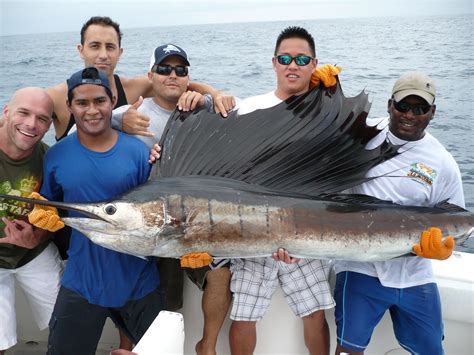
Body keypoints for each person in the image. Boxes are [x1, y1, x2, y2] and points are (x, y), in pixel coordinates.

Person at [33, 67, 164, 355]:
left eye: (100, 101)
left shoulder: (140, 153)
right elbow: (50, 207)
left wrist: (190, 246)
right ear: (69, 107)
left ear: (113, 100)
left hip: (139, 282)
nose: (92, 110)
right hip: (83, 282)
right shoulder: (55, 156)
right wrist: (42, 220)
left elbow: (161, 215)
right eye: (82, 103)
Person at [333, 72, 462, 355]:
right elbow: (319, 136)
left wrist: (443, 250)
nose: (410, 115)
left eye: (420, 109)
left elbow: (455, 219)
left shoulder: (443, 162)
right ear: (390, 104)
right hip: (360, 267)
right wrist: (321, 88)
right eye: (404, 106)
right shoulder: (361, 137)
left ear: (433, 112)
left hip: (415, 273)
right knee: (347, 351)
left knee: (432, 351)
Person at [118, 43, 232, 355]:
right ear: (150, 75)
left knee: (220, 272)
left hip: (195, 220)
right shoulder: (129, 115)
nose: (173, 75)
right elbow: (91, 125)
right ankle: (127, 346)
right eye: (165, 69)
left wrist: (211, 95)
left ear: (188, 78)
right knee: (146, 286)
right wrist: (122, 126)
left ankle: (206, 346)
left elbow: (230, 107)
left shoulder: (204, 107)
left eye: (180, 70)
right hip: (150, 220)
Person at [228, 26, 335, 355]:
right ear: (274, 62)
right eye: (286, 58)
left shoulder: (326, 114)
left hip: (306, 232)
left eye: (302, 59)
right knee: (243, 317)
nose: (293, 65)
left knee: (315, 314)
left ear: (314, 64)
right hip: (251, 233)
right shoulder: (250, 109)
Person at [47, 16, 235, 141]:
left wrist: (215, 94)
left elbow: (175, 84)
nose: (103, 55)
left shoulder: (133, 88)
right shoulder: (56, 97)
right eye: (95, 46)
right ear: (81, 50)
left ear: (120, 52)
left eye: (110, 47)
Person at [0, 88, 63, 354]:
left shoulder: (49, 160)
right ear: (6, 112)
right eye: (23, 113)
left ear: (49, 125)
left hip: (33, 253)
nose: (30, 124)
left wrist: (36, 237)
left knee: (67, 317)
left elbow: (56, 216)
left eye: (41, 118)